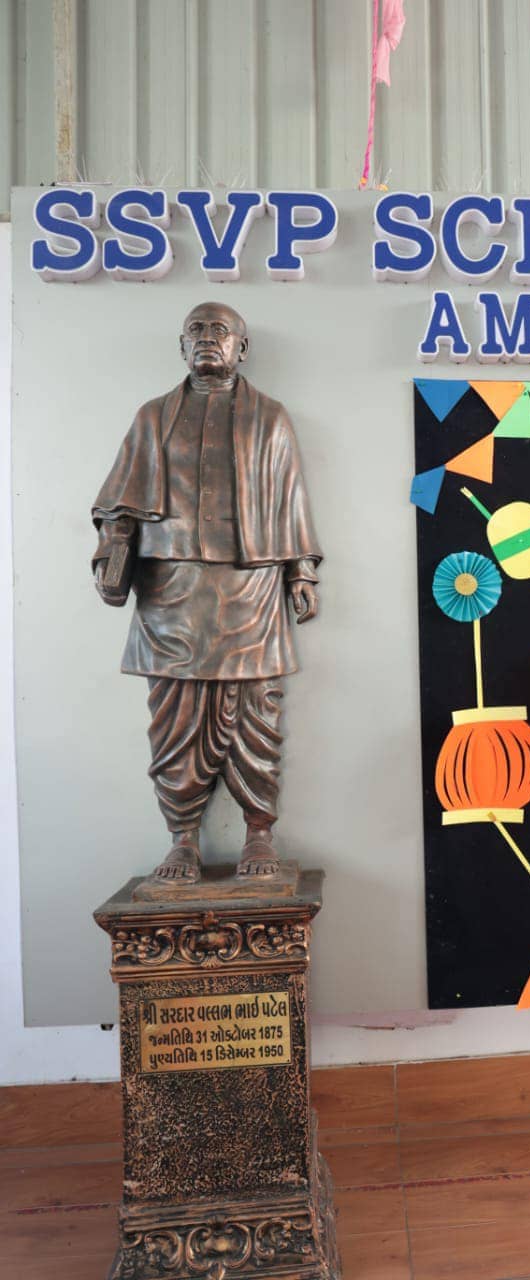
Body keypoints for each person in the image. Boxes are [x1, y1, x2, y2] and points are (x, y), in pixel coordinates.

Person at [91, 302, 322, 884]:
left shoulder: (270, 418)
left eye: (221, 330)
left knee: (256, 710)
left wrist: (300, 571)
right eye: (196, 329)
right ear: (181, 345)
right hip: (170, 586)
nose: (207, 338)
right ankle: (183, 839)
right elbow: (118, 505)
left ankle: (259, 831)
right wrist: (111, 555)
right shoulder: (152, 418)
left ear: (242, 347)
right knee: (174, 715)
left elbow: (290, 497)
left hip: (251, 584)